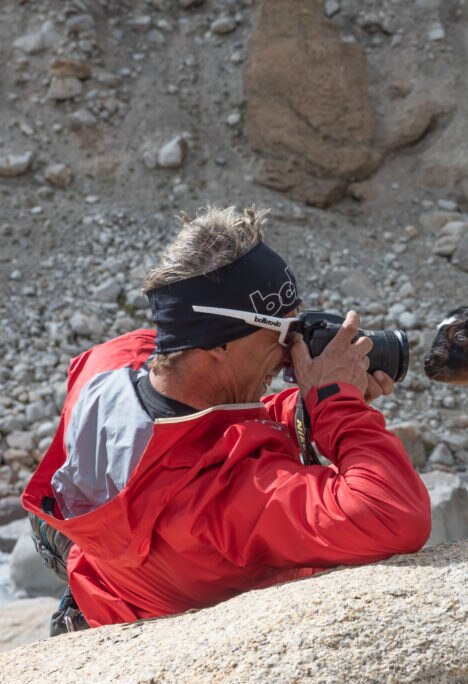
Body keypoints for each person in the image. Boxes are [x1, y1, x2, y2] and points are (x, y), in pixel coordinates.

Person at [21, 206, 431, 634]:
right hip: (158, 626)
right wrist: (336, 402)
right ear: (218, 345)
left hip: (98, 566)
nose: (294, 350)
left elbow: (192, 436)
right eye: (284, 332)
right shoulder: (228, 500)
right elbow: (393, 514)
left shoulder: (106, 366)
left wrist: (305, 409)